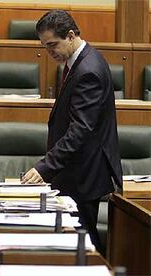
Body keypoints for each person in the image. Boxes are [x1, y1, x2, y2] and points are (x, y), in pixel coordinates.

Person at [22, 10, 122, 254]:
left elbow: (81, 128)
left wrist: (46, 166)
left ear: (70, 35)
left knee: (83, 243)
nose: (49, 52)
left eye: (53, 45)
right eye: (45, 47)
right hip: (77, 170)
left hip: (84, 174)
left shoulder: (88, 70)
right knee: (77, 239)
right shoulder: (78, 62)